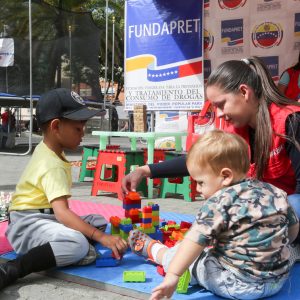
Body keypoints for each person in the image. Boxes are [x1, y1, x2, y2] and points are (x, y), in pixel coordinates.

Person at [128, 130, 299, 300]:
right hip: (278, 280)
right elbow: (292, 230)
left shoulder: (219, 201)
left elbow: (194, 241)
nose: (197, 189)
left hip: (237, 285)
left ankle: (157, 251)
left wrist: (173, 275)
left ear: (225, 176)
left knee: (186, 254)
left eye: (200, 182)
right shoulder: (274, 191)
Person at [122, 56, 300, 218]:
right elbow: (204, 159)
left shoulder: (290, 122)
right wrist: (144, 171)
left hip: (287, 218)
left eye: (221, 105)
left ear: (244, 92)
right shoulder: (236, 129)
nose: (220, 114)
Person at [0, 88, 128, 290]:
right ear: (56, 126)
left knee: (97, 221)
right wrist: (101, 238)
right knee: (79, 243)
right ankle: (13, 269)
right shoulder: (51, 164)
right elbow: (63, 213)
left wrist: (95, 232)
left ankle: (67, 247)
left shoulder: (50, 150)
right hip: (27, 226)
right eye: (78, 129)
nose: (83, 134)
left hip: (41, 218)